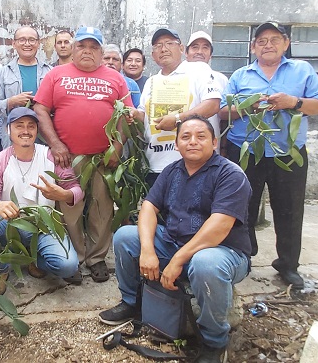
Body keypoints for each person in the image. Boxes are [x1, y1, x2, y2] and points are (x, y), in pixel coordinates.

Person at [99, 115, 251, 363]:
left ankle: (214, 341)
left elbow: (219, 226)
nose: (193, 142)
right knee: (126, 237)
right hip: (172, 241)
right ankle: (132, 303)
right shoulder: (172, 170)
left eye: (201, 136)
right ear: (177, 143)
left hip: (223, 252)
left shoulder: (230, 174)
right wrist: (148, 250)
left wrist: (178, 259)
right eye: (186, 137)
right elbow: (149, 207)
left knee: (205, 264)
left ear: (214, 142)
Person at [219, 21, 318, 289]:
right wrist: (248, 106)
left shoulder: (302, 71)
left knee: (289, 209)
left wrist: (294, 102)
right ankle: (243, 256)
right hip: (245, 152)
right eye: (262, 40)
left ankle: (288, 265)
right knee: (242, 207)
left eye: (274, 39)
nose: (268, 44)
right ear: (253, 47)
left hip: (288, 153)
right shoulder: (240, 75)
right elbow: (223, 111)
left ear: (286, 43)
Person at [33, 26, 133, 284]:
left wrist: (117, 147)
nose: (87, 51)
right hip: (68, 157)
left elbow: (126, 115)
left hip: (104, 157)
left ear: (102, 52)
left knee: (102, 208)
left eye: (94, 47)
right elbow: (41, 109)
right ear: (73, 49)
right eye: (82, 46)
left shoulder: (115, 78)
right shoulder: (56, 75)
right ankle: (75, 257)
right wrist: (55, 143)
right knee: (70, 207)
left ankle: (97, 258)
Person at [0, 107, 81, 283]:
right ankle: (2, 265)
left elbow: (76, 190)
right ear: (8, 130)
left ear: (37, 130)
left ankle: (34, 258)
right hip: (9, 223)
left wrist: (64, 195)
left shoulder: (51, 156)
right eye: (19, 126)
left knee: (68, 266)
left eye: (31, 126)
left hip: (43, 225)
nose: (26, 131)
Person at [137, 28, 223, 186]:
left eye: (169, 43)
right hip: (155, 164)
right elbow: (144, 116)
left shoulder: (198, 70)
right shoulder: (151, 82)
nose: (164, 49)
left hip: (194, 163)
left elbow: (212, 104)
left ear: (182, 49)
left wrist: (177, 119)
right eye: (158, 46)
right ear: (153, 55)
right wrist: (131, 113)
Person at [0, 26, 52, 147]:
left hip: (44, 136)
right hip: (14, 137)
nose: (27, 44)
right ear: (14, 44)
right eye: (22, 40)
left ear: (38, 43)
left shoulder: (50, 72)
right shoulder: (4, 72)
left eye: (32, 40)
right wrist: (11, 101)